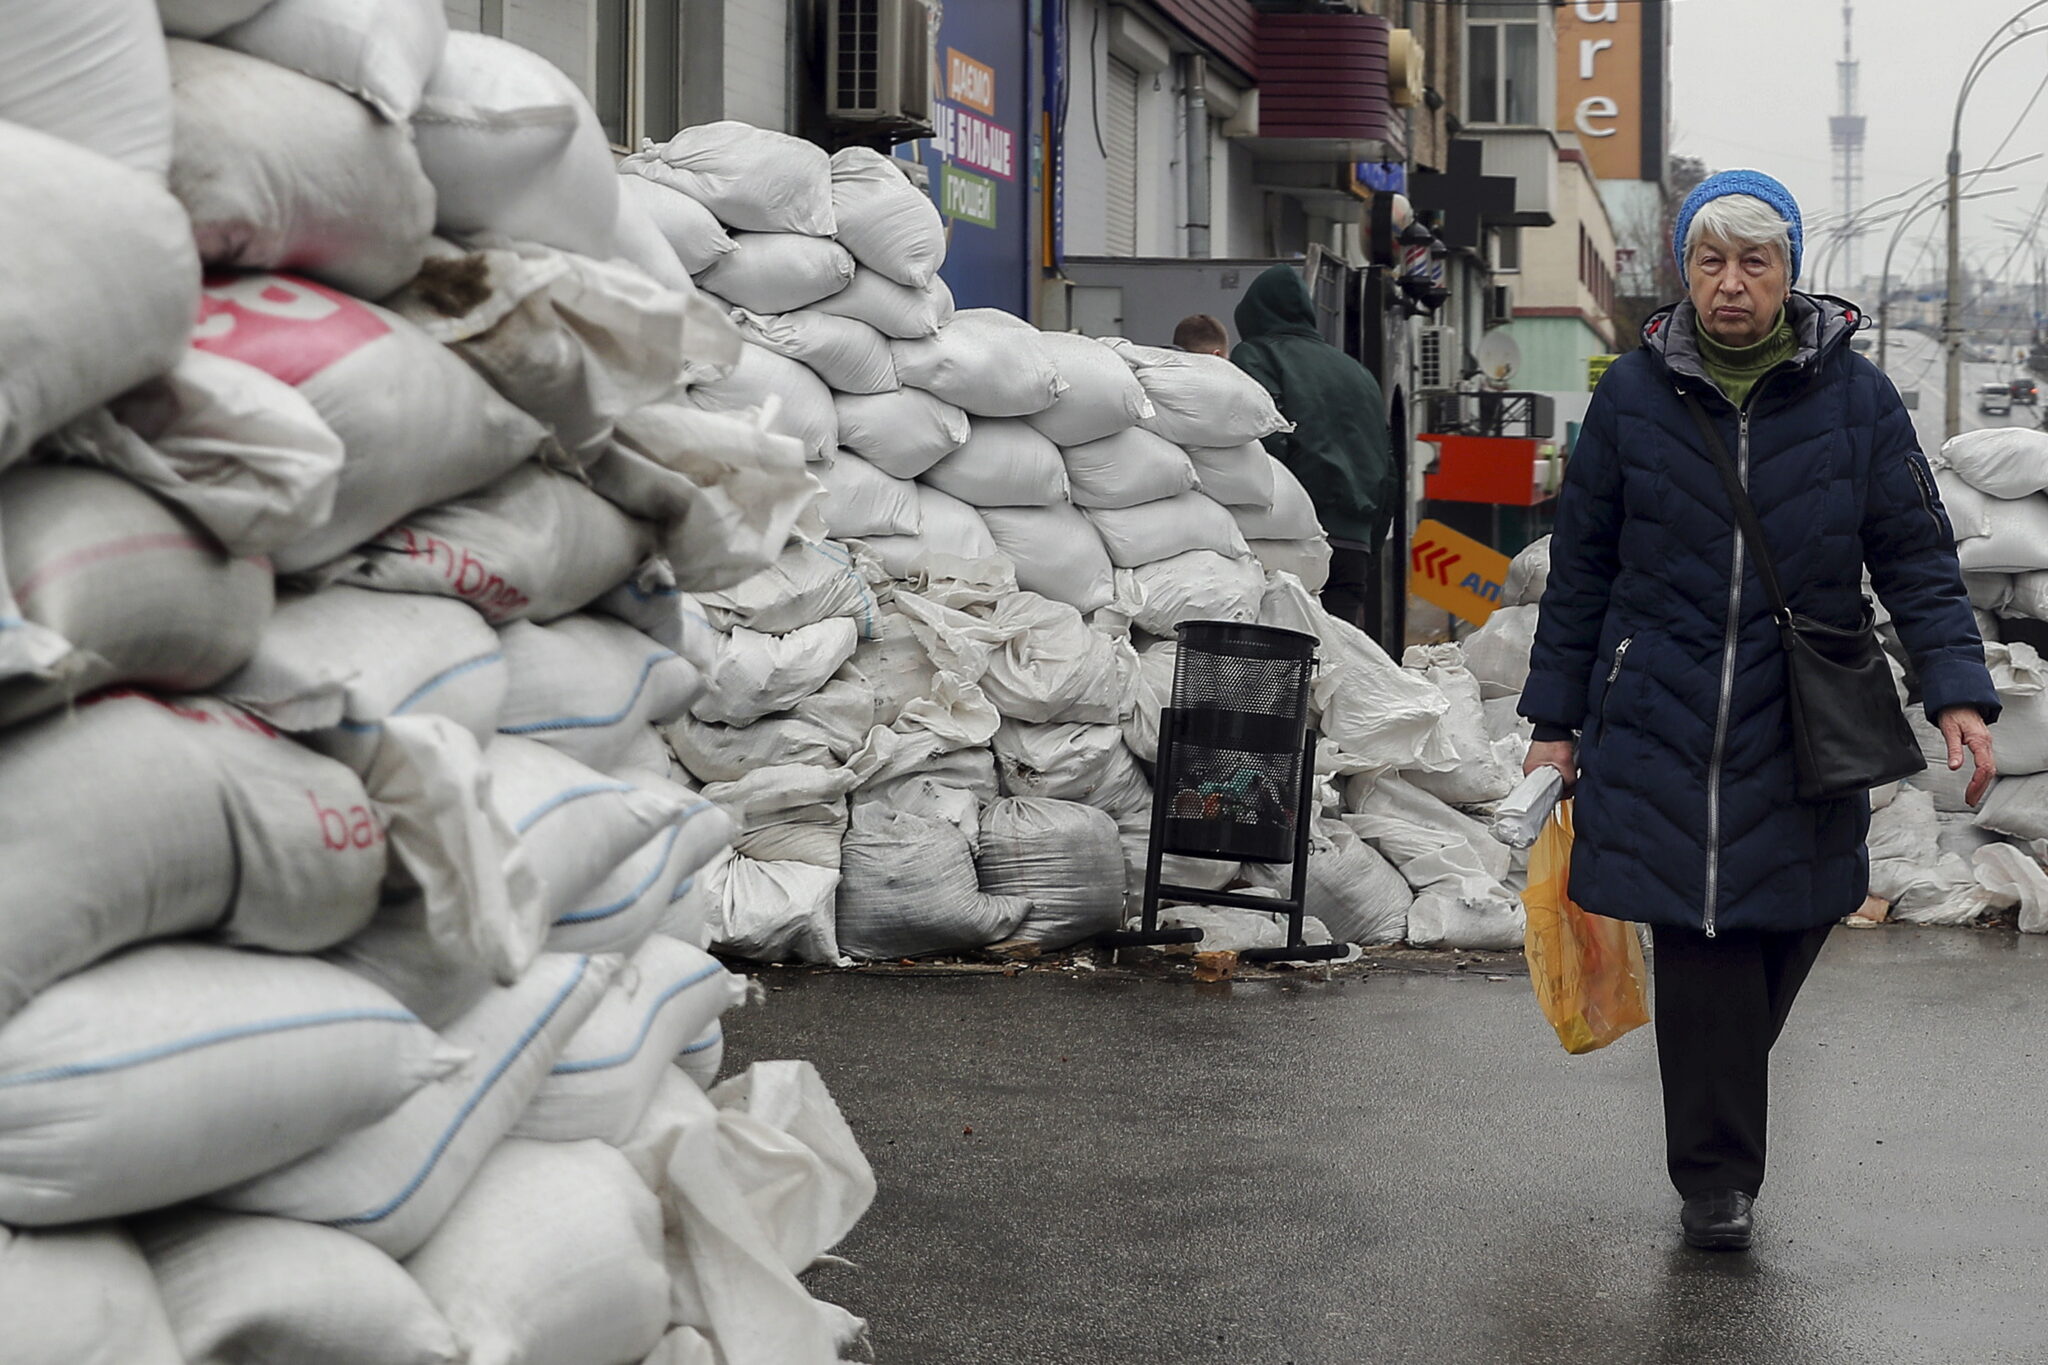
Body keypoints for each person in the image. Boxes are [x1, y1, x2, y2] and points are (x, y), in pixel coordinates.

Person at [1519, 170, 2000, 1252]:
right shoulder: (1631, 396)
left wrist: (1958, 693)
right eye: (1710, 261)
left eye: (1753, 261)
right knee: (1702, 931)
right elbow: (1580, 571)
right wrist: (1554, 723)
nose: (1730, 283)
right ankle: (1716, 1184)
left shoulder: (1857, 399)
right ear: (1683, 272)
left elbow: (1916, 558)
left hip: (1805, 712)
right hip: (1661, 706)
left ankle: (1715, 1093)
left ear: (1788, 274)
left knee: (1794, 910)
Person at [1230, 265, 1396, 630]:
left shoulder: (1256, 355)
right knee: (1336, 655)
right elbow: (1388, 470)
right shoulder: (1360, 374)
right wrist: (1368, 545)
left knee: (1276, 658)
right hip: (1354, 546)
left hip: (1289, 541)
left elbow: (1264, 439)